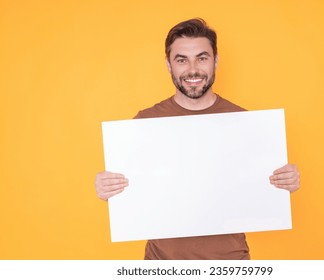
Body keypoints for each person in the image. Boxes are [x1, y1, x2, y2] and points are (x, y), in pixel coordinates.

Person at [95, 18, 300, 260]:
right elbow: (130, 193)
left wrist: (286, 181)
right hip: (162, 263)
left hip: (230, 262)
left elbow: (261, 189)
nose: (193, 69)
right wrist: (107, 188)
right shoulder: (145, 122)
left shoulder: (245, 122)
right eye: (181, 60)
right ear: (169, 65)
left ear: (216, 61)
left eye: (202, 58)